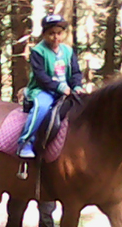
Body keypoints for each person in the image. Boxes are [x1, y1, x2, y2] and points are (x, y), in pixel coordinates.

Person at [17, 14, 83, 159]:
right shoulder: (38, 51)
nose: (55, 37)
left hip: (65, 89)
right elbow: (41, 76)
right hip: (42, 89)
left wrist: (77, 86)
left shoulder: (68, 51)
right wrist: (59, 88)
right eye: (51, 33)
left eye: (59, 33)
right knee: (42, 107)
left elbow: (76, 72)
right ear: (44, 34)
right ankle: (25, 141)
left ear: (64, 34)